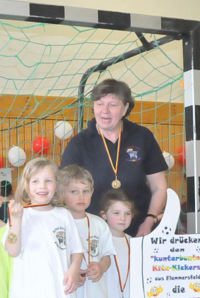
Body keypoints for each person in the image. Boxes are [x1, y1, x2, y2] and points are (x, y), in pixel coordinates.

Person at [61, 78, 167, 237]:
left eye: (113, 105)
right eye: (99, 104)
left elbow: (159, 187)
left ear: (125, 108)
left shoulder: (143, 137)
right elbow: (64, 191)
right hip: (93, 234)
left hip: (140, 231)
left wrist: (149, 220)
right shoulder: (79, 143)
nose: (105, 110)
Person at [3, 157, 83, 298]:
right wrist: (16, 221)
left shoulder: (64, 215)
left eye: (48, 180)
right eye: (36, 181)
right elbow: (12, 250)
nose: (42, 186)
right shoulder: (20, 215)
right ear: (27, 186)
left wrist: (73, 270)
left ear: (56, 184)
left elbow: (77, 250)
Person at [58, 165, 115, 298]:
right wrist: (71, 273)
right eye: (74, 191)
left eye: (86, 191)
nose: (81, 197)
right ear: (62, 193)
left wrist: (101, 267)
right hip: (69, 297)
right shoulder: (57, 221)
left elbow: (107, 254)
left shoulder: (99, 223)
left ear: (92, 193)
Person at [99, 190, 140, 298]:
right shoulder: (99, 240)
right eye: (116, 213)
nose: (123, 218)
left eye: (127, 213)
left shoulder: (134, 243)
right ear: (104, 215)